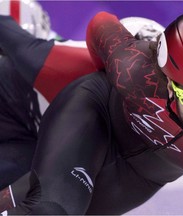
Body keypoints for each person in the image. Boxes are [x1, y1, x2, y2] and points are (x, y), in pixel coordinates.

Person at [0, 9, 183, 215]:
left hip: (136, 173)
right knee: (50, 210)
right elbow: (98, 24)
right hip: (96, 113)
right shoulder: (134, 71)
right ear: (167, 83)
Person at [0, 0, 164, 192]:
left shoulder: (154, 118)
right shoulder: (62, 62)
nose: (139, 84)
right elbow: (10, 34)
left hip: (32, 141)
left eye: (154, 80)